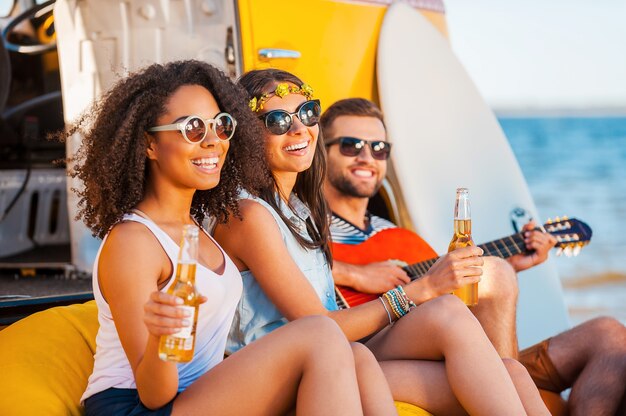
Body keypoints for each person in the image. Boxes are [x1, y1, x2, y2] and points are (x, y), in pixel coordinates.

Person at [214, 68, 551, 415]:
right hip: (288, 373)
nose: (300, 128)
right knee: (461, 332)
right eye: (278, 121)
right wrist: (419, 290)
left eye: (307, 113)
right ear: (248, 135)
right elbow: (319, 327)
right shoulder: (248, 215)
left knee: (508, 368)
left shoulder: (299, 208)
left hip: (344, 350)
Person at [67, 60, 396, 416]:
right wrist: (165, 340)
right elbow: (153, 395)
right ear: (149, 144)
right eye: (193, 128)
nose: (214, 142)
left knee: (358, 355)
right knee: (322, 334)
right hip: (138, 406)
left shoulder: (199, 231)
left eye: (221, 126)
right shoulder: (135, 242)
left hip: (199, 392)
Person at [320, 97, 626, 416]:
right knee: (493, 281)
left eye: (379, 148)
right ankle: (506, 383)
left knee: (609, 334)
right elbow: (285, 264)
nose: (367, 156)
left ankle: (506, 378)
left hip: (458, 349)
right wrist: (354, 274)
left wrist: (511, 267)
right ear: (321, 154)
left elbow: (442, 290)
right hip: (374, 342)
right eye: (351, 145)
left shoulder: (396, 236)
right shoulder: (310, 223)